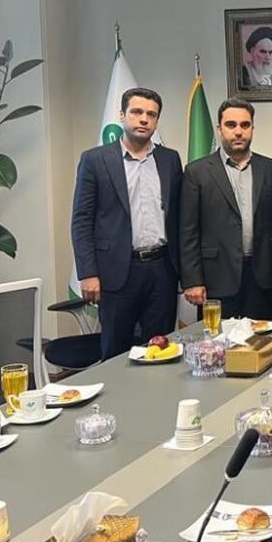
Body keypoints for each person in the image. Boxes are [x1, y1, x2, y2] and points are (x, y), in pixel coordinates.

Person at [71, 87, 182, 359]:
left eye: (151, 115)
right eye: (137, 112)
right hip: (117, 272)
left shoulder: (170, 159)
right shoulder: (95, 160)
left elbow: (179, 217)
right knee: (116, 353)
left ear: (156, 121)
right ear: (122, 115)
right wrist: (87, 273)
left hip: (162, 270)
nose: (144, 119)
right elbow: (82, 220)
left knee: (161, 349)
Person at [179, 99, 272, 321]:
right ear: (219, 129)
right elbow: (188, 231)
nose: (238, 131)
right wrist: (192, 280)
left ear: (252, 128)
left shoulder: (269, 168)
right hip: (216, 276)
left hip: (261, 275)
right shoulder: (197, 172)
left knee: (260, 338)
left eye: (245, 125)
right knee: (217, 340)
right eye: (231, 125)